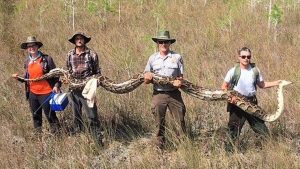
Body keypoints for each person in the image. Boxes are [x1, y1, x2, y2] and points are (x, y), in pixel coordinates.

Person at [221, 47, 281, 151]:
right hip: (237, 103)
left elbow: (262, 84)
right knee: (234, 130)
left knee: (261, 129)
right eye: (243, 56)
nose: (246, 59)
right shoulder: (233, 71)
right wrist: (231, 97)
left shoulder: (255, 70)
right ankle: (229, 154)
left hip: (251, 103)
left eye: (248, 57)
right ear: (239, 57)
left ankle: (270, 150)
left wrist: (277, 82)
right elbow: (224, 86)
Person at [144, 30, 186, 149]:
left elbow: (181, 77)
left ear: (170, 43)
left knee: (180, 121)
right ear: (157, 43)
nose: (163, 44)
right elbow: (146, 78)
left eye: (166, 41)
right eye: (161, 41)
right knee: (159, 122)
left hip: (174, 94)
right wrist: (147, 77)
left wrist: (180, 82)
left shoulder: (177, 57)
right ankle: (160, 147)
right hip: (159, 93)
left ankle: (183, 147)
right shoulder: (152, 58)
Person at [12, 36, 61, 135]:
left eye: (33, 45)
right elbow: (28, 78)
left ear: (37, 46)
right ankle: (38, 137)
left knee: (50, 115)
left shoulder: (47, 59)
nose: (31, 48)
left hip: (46, 93)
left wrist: (56, 86)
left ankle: (58, 136)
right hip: (32, 94)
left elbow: (57, 75)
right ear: (27, 49)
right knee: (35, 115)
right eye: (29, 46)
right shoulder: (27, 61)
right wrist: (18, 78)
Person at [66, 32, 103, 146]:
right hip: (73, 89)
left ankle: (97, 140)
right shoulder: (70, 54)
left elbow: (97, 73)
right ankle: (79, 140)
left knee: (92, 116)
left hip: (88, 90)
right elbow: (67, 70)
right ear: (74, 41)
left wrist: (93, 83)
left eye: (81, 38)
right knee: (76, 116)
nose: (79, 40)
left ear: (85, 40)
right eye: (77, 38)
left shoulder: (92, 54)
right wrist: (65, 79)